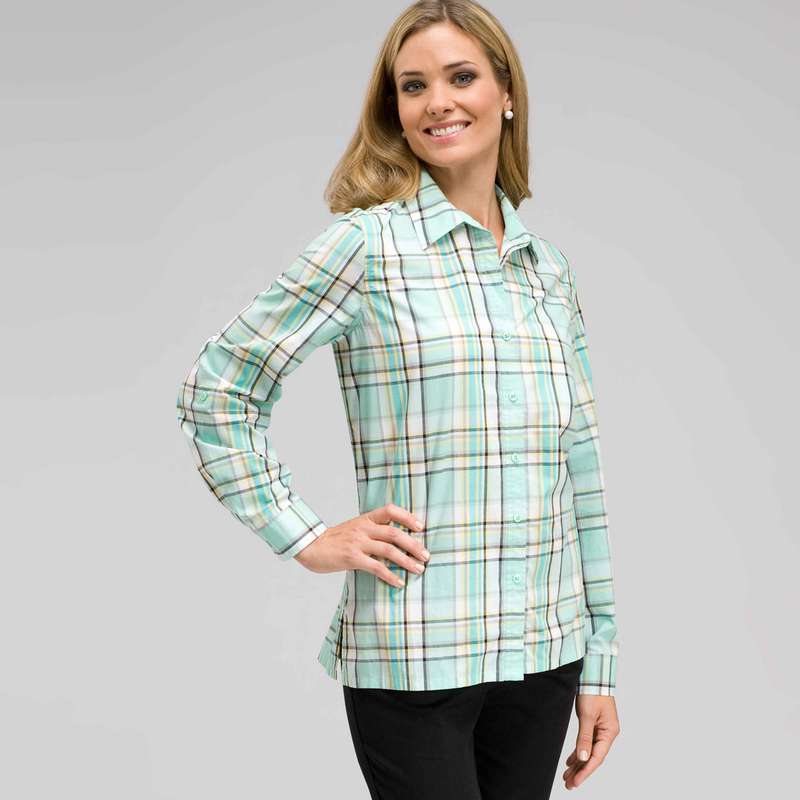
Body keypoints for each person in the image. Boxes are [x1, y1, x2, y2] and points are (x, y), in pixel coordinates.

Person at [175, 1, 621, 796]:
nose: (437, 102)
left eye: (460, 77)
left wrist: (601, 661)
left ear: (506, 93)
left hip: (545, 653)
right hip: (417, 651)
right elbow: (218, 390)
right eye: (413, 86)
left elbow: (579, 469)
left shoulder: (546, 271)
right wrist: (306, 535)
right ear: (396, 111)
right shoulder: (366, 247)